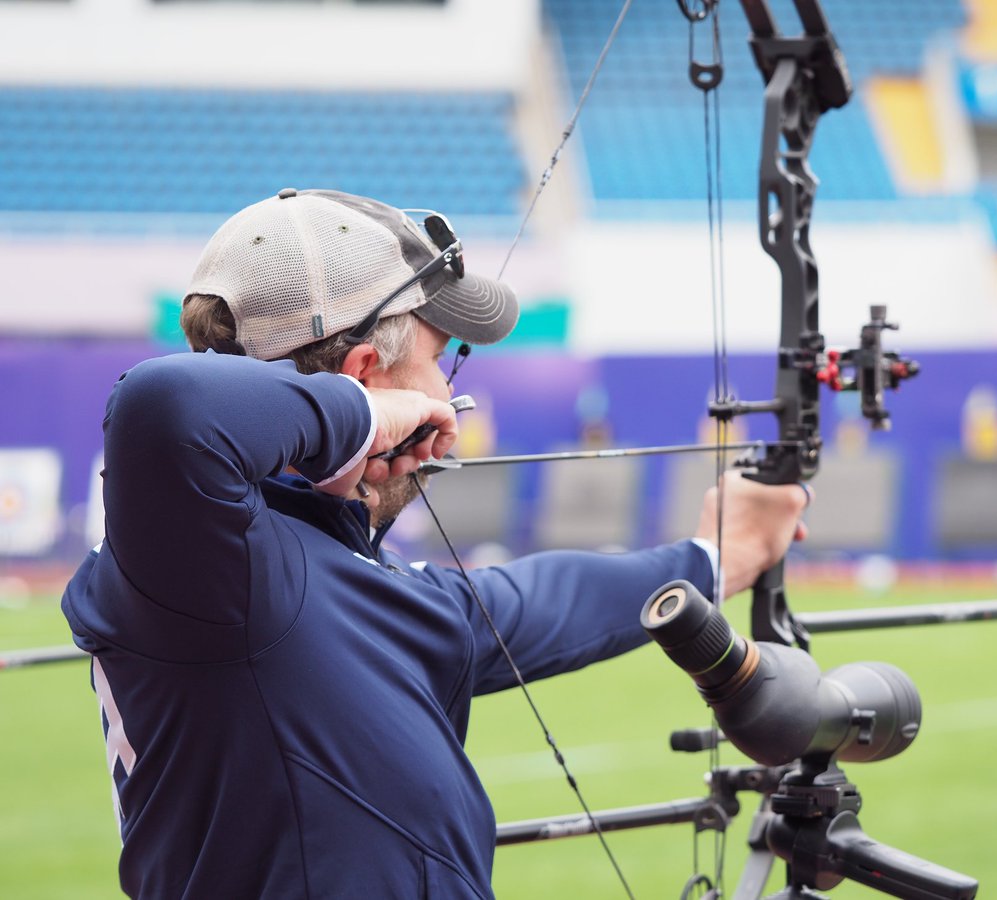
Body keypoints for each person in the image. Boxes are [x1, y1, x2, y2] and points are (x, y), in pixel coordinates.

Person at [61, 188, 808, 899]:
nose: (449, 397)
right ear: (366, 375)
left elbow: (535, 604)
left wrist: (714, 555)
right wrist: (366, 417)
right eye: (440, 363)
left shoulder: (344, 571)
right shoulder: (211, 571)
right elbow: (164, 407)